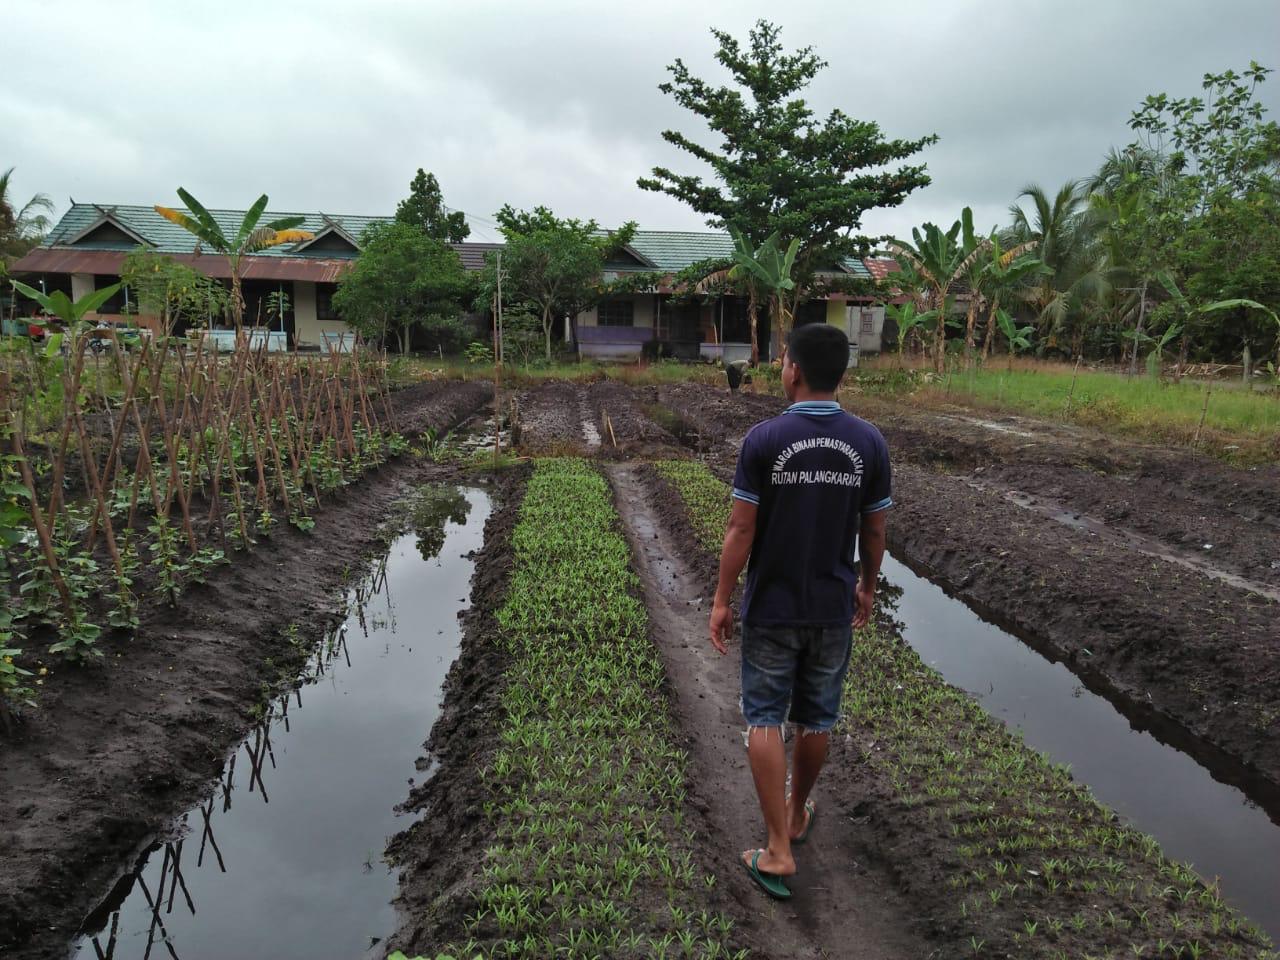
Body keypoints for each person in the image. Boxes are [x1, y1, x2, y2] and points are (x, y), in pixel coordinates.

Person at [708, 322, 891, 899]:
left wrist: (720, 599)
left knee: (764, 716)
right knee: (817, 718)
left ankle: (777, 850)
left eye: (784, 359)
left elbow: (741, 528)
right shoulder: (868, 442)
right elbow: (876, 529)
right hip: (833, 607)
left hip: (773, 606)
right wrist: (866, 586)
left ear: (793, 369)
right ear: (841, 373)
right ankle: (794, 812)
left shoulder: (764, 439)